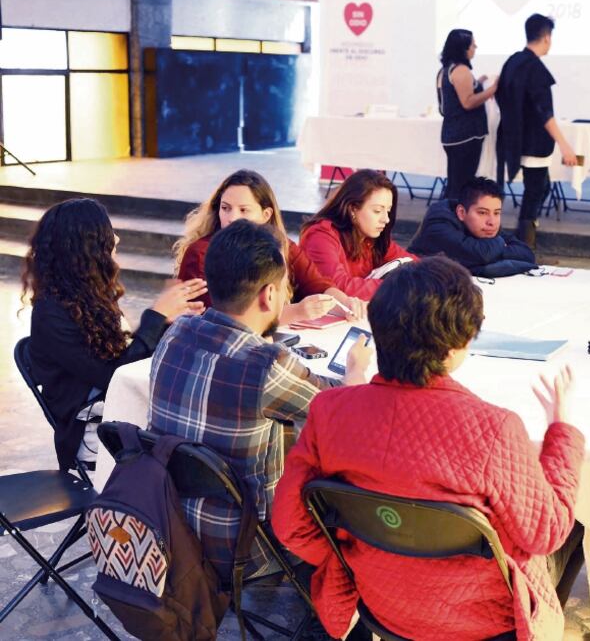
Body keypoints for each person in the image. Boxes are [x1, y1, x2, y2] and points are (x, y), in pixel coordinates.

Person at [273, 256, 585, 640]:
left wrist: (347, 557)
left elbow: (290, 524)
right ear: (456, 348)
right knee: (575, 527)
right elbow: (546, 533)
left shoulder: (329, 412)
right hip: (485, 623)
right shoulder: (495, 428)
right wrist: (562, 432)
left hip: (380, 605)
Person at [151, 220, 371, 579]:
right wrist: (355, 369)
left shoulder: (175, 332)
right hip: (246, 545)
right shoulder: (266, 365)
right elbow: (347, 408)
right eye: (286, 289)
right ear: (269, 295)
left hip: (169, 526)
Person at [21, 198, 205, 472]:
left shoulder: (88, 297)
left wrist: (166, 321)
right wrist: (155, 317)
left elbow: (122, 356)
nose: (116, 238)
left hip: (119, 415)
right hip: (94, 434)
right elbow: (113, 376)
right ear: (85, 248)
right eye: (107, 233)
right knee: (194, 439)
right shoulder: (51, 314)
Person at [175, 169, 364, 323]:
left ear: (266, 215)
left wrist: (346, 304)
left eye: (243, 210)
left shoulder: (281, 246)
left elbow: (317, 284)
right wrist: (295, 312)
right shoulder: (201, 253)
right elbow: (218, 321)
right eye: (225, 208)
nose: (232, 217)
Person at [496, 13, 578, 249]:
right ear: (547, 37)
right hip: (534, 143)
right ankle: (525, 246)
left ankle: (525, 239)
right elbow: (545, 113)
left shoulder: (512, 62)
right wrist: (565, 146)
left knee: (541, 187)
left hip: (513, 138)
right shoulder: (535, 69)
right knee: (534, 192)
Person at [299, 169, 414, 301]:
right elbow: (338, 288)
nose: (386, 219)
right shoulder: (320, 237)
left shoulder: (372, 238)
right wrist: (399, 286)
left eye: (388, 211)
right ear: (352, 209)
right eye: (377, 211)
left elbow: (416, 265)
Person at [408, 177, 537, 277]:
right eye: (482, 212)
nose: (492, 222)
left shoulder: (484, 227)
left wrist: (489, 255)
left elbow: (527, 254)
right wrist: (498, 246)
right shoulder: (438, 224)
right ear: (461, 213)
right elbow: (482, 254)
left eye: (497, 213)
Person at [438, 29, 496, 203]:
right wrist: (492, 90)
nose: (475, 47)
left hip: (453, 136)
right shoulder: (461, 70)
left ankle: (447, 220)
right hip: (466, 136)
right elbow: (468, 102)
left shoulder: (446, 70)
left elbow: (449, 102)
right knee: (461, 187)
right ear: (463, 48)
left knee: (455, 184)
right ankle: (452, 221)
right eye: (472, 44)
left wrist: (478, 83)